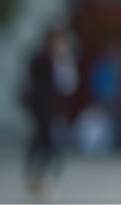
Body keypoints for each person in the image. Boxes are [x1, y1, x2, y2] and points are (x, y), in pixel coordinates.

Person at [20, 26, 78, 199]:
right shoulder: (40, 59)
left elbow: (69, 85)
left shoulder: (61, 61)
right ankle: (36, 178)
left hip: (53, 109)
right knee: (42, 141)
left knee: (50, 143)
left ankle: (44, 179)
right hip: (41, 109)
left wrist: (63, 61)